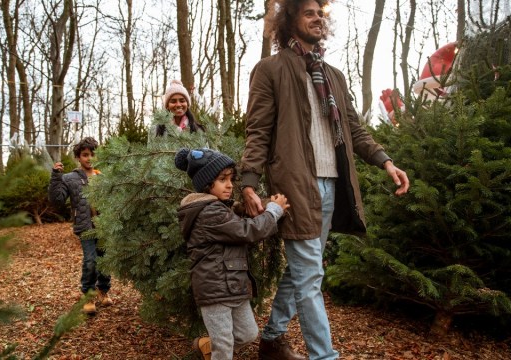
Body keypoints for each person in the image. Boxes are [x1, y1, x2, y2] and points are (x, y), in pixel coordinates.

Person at [240, 1, 411, 359]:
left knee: (306, 269)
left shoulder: (333, 74)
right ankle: (324, 356)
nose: (318, 19)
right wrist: (249, 182)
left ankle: (272, 339)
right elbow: (257, 131)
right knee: (310, 278)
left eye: (321, 14)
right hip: (295, 187)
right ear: (289, 21)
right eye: (309, 13)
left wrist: (386, 161)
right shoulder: (270, 70)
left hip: (332, 186)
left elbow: (354, 129)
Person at [175, 147, 290, 360]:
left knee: (248, 334)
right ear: (207, 184)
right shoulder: (209, 212)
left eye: (231, 179)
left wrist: (262, 205)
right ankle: (217, 349)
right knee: (225, 346)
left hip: (234, 285)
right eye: (222, 179)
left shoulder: (221, 209)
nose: (229, 185)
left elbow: (239, 217)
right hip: (215, 289)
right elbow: (247, 230)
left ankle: (207, 346)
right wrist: (274, 211)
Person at [48, 137, 113, 315]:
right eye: (85, 155)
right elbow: (57, 200)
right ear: (78, 157)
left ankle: (103, 290)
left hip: (104, 226)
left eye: (93, 154)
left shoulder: (103, 177)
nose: (89, 158)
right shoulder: (70, 178)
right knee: (90, 260)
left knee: (104, 260)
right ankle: (88, 295)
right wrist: (55, 177)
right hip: (85, 227)